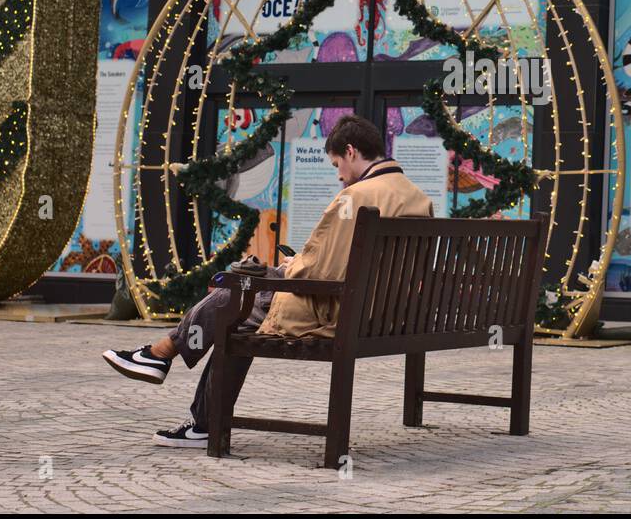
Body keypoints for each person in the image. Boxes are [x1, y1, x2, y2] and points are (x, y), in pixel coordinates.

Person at [102, 114, 433, 447]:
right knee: (240, 296)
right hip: (385, 315)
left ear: (350, 151)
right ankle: (182, 392)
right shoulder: (417, 197)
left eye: (337, 165)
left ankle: (164, 358)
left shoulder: (356, 197)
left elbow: (316, 271)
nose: (339, 176)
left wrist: (292, 265)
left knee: (236, 297)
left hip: (336, 312)